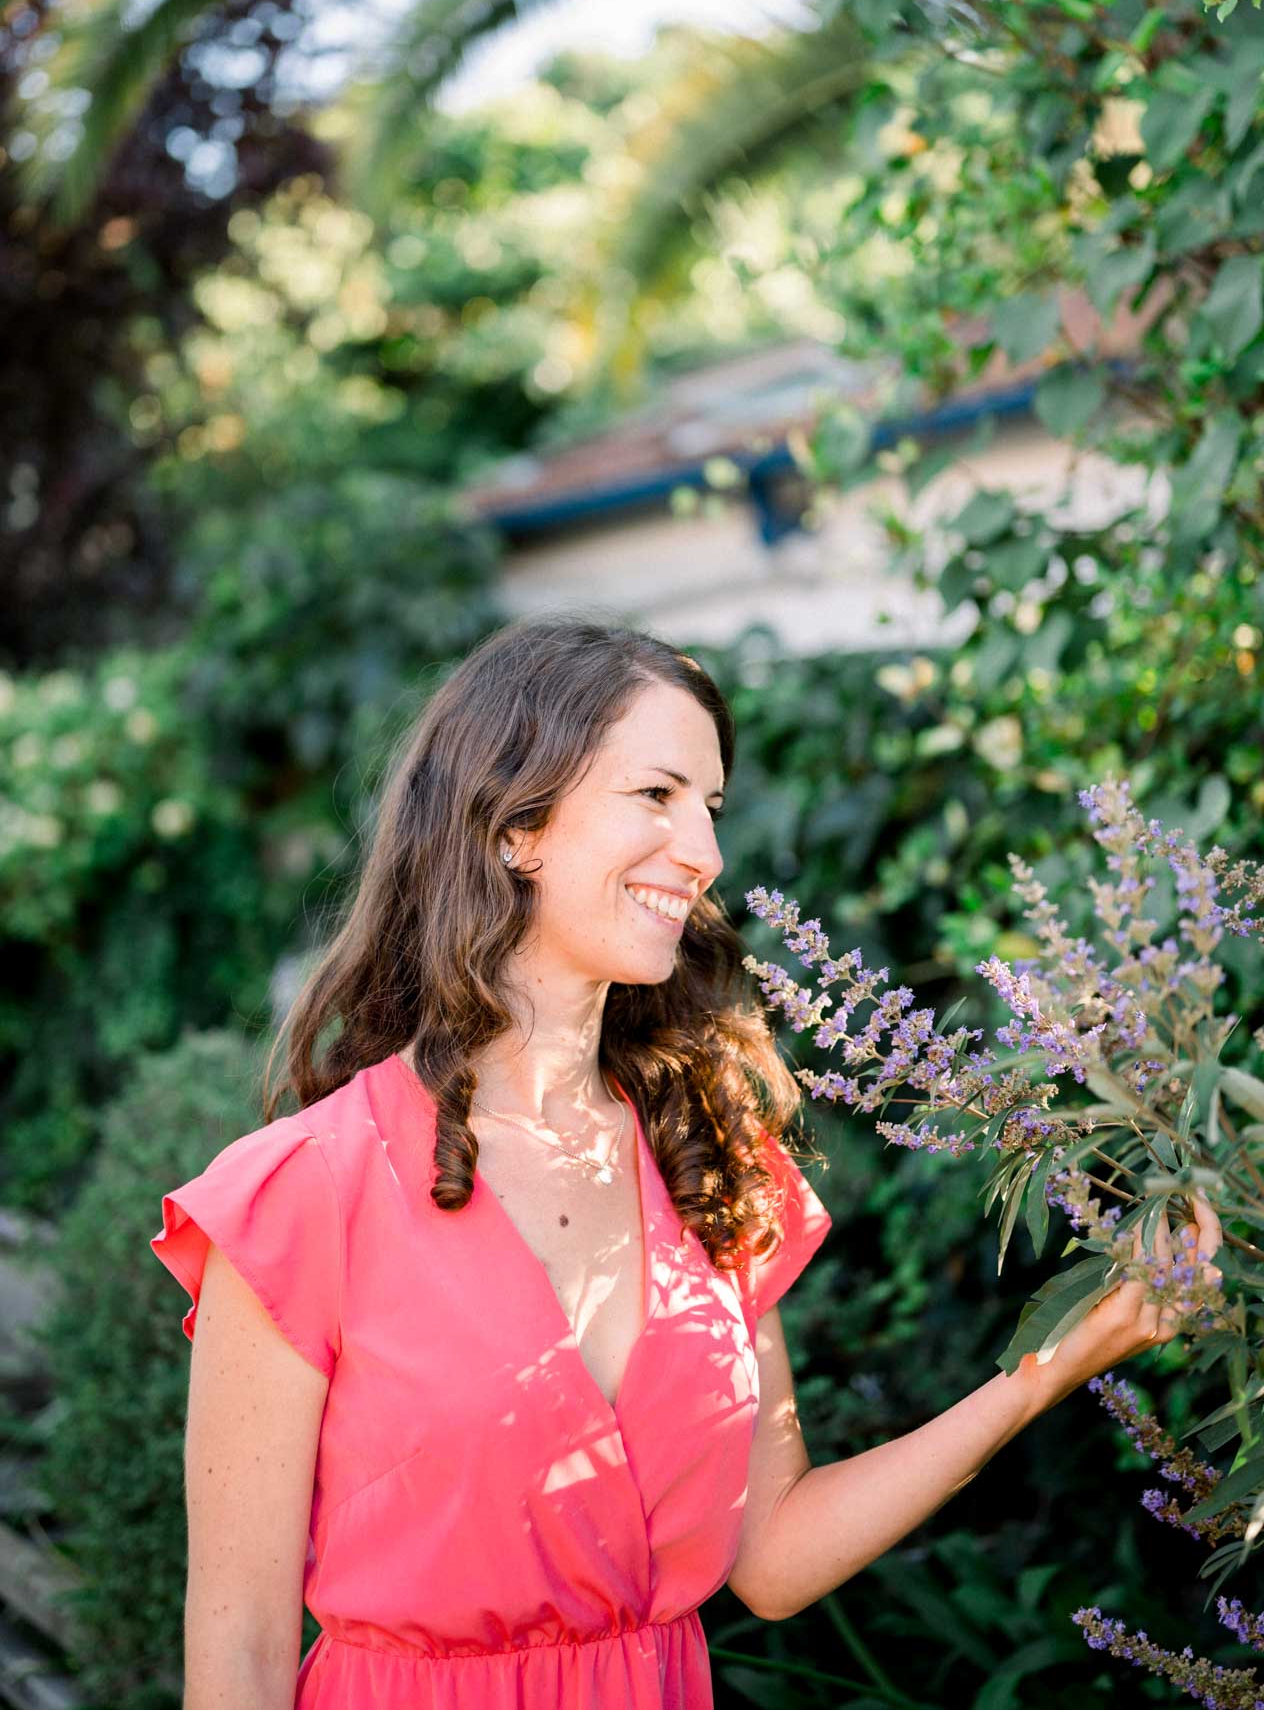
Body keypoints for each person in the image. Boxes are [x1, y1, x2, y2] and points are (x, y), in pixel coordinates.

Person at [151, 615, 1224, 1710]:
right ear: (517, 825)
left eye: (708, 807)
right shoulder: (306, 1192)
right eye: (656, 795)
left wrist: (1052, 1361)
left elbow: (772, 1556)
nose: (705, 852)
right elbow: (235, 1654)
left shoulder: (707, 1151)